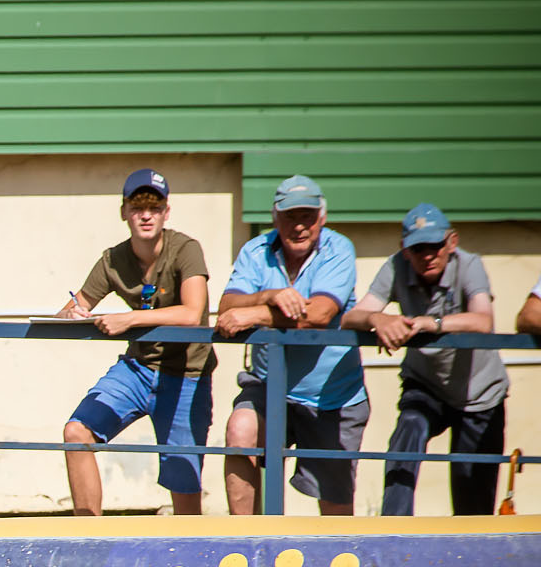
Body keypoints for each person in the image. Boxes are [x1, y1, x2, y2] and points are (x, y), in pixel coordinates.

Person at [55, 168, 214, 515]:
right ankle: (88, 544)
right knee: (76, 432)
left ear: (166, 212)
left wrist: (130, 319)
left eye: (154, 207)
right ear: (123, 211)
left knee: (183, 481)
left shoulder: (186, 249)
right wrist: (72, 314)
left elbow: (192, 313)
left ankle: (187, 556)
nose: (146, 214)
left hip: (187, 374)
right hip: (138, 368)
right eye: (138, 206)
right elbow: (75, 305)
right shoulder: (113, 258)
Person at [215, 175, 365, 516]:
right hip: (269, 386)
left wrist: (254, 313)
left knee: (335, 511)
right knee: (240, 431)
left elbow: (320, 314)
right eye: (290, 216)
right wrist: (270, 296)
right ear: (274, 217)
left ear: (322, 218)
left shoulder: (339, 248)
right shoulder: (255, 250)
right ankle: (245, 547)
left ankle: (336, 564)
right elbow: (226, 307)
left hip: (331, 395)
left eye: (307, 216)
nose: (299, 226)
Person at [343, 204, 507, 517]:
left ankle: (472, 552)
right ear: (404, 250)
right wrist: (378, 318)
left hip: (481, 394)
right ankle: (394, 530)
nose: (427, 255)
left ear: (452, 242)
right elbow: (352, 316)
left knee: (472, 495)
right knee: (408, 431)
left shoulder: (470, 264)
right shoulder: (395, 266)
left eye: (435, 246)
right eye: (418, 248)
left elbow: (483, 320)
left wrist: (431, 323)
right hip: (426, 384)